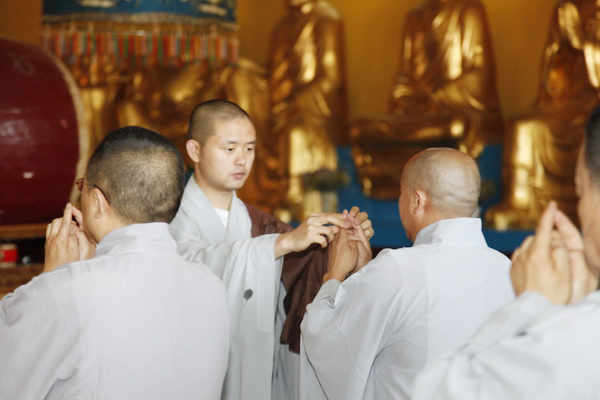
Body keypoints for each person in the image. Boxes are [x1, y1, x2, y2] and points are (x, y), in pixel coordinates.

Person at [0, 126, 229, 399]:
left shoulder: (64, 292)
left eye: (82, 188)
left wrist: (52, 278)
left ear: (97, 201)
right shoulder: (211, 286)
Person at [169, 99, 372, 400]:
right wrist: (281, 244)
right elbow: (188, 264)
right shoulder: (170, 218)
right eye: (230, 148)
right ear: (194, 151)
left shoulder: (260, 223)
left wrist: (348, 252)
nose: (242, 160)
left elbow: (306, 281)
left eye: (249, 148)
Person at [411, 107, 600, 400]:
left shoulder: (575, 338)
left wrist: (532, 306)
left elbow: (437, 391)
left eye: (579, 191)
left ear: (416, 200)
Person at [300, 148, 514, 400]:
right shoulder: (510, 271)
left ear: (417, 200)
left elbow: (328, 345)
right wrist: (366, 275)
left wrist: (334, 274)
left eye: (401, 192)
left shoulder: (396, 270)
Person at [350, 0, 503, 199]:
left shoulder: (469, 9)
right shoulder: (415, 16)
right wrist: (403, 96)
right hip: (418, 111)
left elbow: (481, 73)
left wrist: (437, 97)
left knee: (455, 127)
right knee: (360, 128)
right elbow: (405, 74)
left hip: (453, 108)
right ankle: (390, 184)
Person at [486, 0, 600, 229]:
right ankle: (518, 204)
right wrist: (560, 46)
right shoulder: (566, 9)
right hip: (566, 103)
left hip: (596, 106)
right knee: (523, 126)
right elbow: (551, 78)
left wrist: (581, 45)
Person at [268, 0, 348, 220]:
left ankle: (291, 197)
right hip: (282, 108)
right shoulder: (282, 27)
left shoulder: (327, 19)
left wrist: (294, 104)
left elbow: (331, 80)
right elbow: (273, 80)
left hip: (312, 111)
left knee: (295, 133)